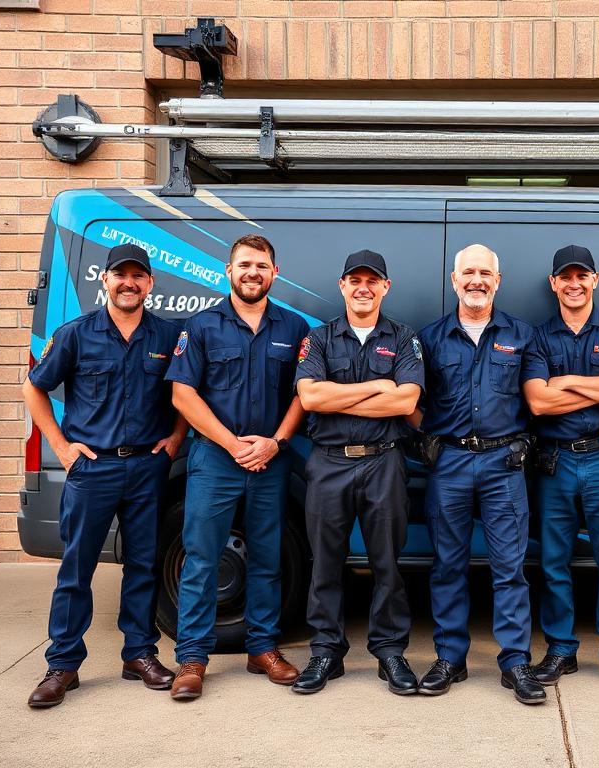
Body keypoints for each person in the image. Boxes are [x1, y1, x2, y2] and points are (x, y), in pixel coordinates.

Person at [23, 243, 187, 708]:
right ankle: (63, 664)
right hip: (92, 468)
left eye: (138, 276)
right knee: (77, 568)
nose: (129, 283)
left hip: (147, 467)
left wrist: (175, 438)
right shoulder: (76, 334)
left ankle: (139, 654)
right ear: (106, 280)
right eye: (121, 275)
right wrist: (60, 446)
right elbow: (33, 389)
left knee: (143, 563)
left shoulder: (168, 336)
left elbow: (187, 390)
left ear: (150, 283)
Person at [165, 234, 309, 700]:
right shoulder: (202, 326)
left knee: (268, 559)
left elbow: (302, 395)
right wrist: (232, 444)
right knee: (201, 558)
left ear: (275, 272)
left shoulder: (293, 327)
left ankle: (263, 649)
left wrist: (275, 442)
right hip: (214, 461)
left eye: (261, 265)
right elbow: (182, 395)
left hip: (272, 460)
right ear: (228, 271)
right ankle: (192, 657)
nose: (253, 272)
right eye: (244, 264)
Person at [410, 243, 546, 705]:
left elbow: (537, 400)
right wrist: (428, 435)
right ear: (454, 280)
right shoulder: (429, 338)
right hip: (448, 463)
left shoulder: (522, 336)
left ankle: (515, 662)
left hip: (502, 465)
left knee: (509, 569)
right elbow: (410, 399)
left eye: (485, 273)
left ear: (498, 280)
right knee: (447, 566)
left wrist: (522, 440)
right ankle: (451, 657)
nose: (476, 280)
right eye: (468, 272)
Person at [292, 250, 424, 696]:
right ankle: (325, 652)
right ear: (342, 285)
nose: (363, 287)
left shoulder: (403, 339)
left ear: (386, 287)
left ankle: (390, 652)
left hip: (384, 462)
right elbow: (310, 398)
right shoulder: (320, 338)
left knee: (387, 563)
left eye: (373, 280)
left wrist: (339, 394)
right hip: (329, 462)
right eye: (355, 280)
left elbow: (406, 402)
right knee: (325, 564)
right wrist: (374, 387)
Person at [523, 245, 599, 693]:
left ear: (595, 279)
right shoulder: (538, 337)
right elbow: (538, 400)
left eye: (582, 275)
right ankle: (560, 648)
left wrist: (568, 381)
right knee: (553, 562)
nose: (574, 283)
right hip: (554, 462)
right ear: (553, 283)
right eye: (565, 276)